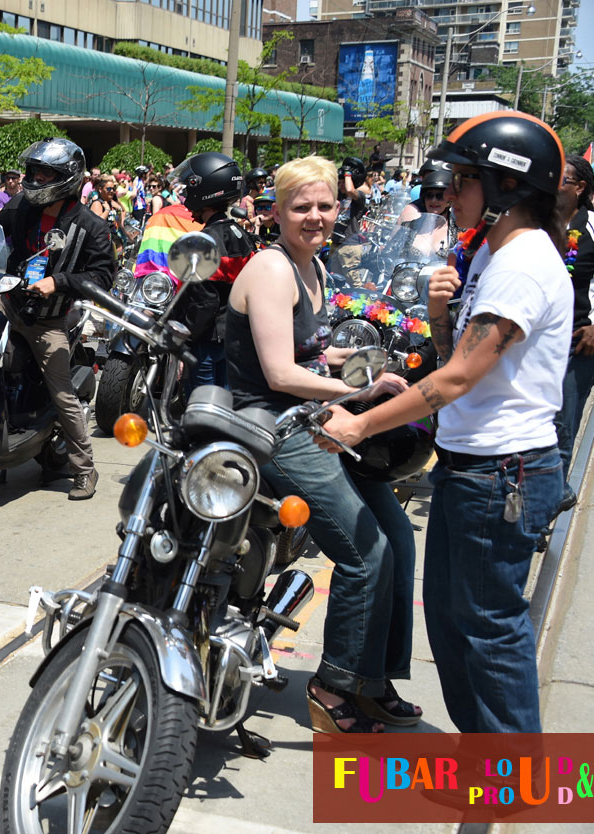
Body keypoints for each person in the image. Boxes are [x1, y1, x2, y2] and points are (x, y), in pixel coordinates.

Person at [318, 112, 571, 733]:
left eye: (463, 181)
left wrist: (360, 426)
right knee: (456, 622)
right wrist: (437, 314)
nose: (449, 195)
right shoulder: (491, 252)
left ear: (505, 187)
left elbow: (456, 379)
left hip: (501, 472)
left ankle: (509, 778)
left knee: (487, 629)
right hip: (474, 467)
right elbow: (456, 354)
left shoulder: (521, 266)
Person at [225, 155, 418, 733]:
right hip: (272, 423)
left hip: (315, 418)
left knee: (399, 538)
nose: (314, 217)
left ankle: (373, 679)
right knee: (365, 554)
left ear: (340, 208)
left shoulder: (316, 268)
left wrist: (360, 358)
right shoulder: (272, 269)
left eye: (324, 205)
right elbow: (281, 372)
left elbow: (309, 346)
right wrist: (359, 384)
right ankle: (334, 687)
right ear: (277, 212)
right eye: (300, 207)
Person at [0, 138, 113, 501]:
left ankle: (84, 470)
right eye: (35, 171)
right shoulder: (20, 206)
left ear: (68, 178)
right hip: (6, 303)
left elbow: (103, 276)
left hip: (49, 318)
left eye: (47, 173)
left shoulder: (92, 226)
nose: (37, 177)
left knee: (62, 393)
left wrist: (58, 281)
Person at [169, 151, 256, 388]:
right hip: (234, 338)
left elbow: (203, 301)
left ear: (204, 189)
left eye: (190, 187)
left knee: (201, 407)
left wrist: (183, 337)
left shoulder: (203, 242)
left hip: (206, 340)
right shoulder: (241, 234)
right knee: (225, 404)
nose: (186, 195)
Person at [553, 154, 594, 512]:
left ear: (580, 188)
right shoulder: (536, 223)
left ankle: (543, 513)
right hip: (532, 345)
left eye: (562, 179)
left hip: (578, 347)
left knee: (561, 432)